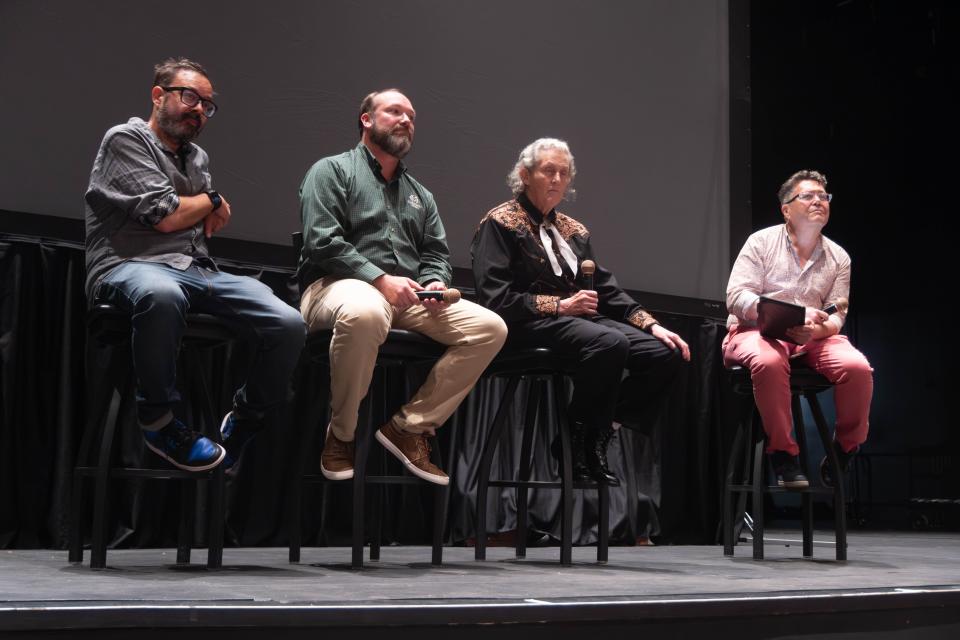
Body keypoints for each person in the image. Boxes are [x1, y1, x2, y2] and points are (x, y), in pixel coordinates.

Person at [84, 58, 305, 472]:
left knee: (289, 322)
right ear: (158, 95)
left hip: (196, 269)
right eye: (189, 97)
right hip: (129, 264)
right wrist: (212, 200)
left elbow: (200, 224)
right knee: (160, 294)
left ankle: (245, 418)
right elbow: (166, 216)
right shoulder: (125, 139)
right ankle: (159, 421)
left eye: (206, 104)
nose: (199, 110)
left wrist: (201, 206)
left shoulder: (197, 157)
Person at [298, 89, 507, 486]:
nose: (406, 120)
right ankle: (341, 434)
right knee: (366, 310)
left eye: (411, 115)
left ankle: (409, 427)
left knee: (490, 328)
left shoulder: (420, 195)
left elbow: (436, 253)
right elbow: (321, 241)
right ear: (366, 119)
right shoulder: (331, 171)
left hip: (406, 299)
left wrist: (433, 281)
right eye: (394, 112)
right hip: (334, 287)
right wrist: (379, 279)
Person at [471, 138, 689, 486]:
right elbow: (495, 299)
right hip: (525, 324)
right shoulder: (500, 223)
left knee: (664, 354)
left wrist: (652, 326)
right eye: (548, 171)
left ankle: (597, 434)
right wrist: (560, 305)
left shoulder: (574, 231)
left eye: (564, 172)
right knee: (609, 342)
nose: (557, 179)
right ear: (525, 175)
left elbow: (606, 288)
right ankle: (576, 441)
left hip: (576, 322)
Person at [723, 170, 873, 488]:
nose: (818, 200)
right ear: (786, 209)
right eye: (808, 195)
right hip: (756, 331)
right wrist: (790, 315)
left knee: (857, 367)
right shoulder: (761, 242)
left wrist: (817, 331)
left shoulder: (838, 257)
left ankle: (845, 447)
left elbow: (837, 313)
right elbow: (736, 297)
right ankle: (782, 454)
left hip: (811, 339)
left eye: (823, 196)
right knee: (769, 362)